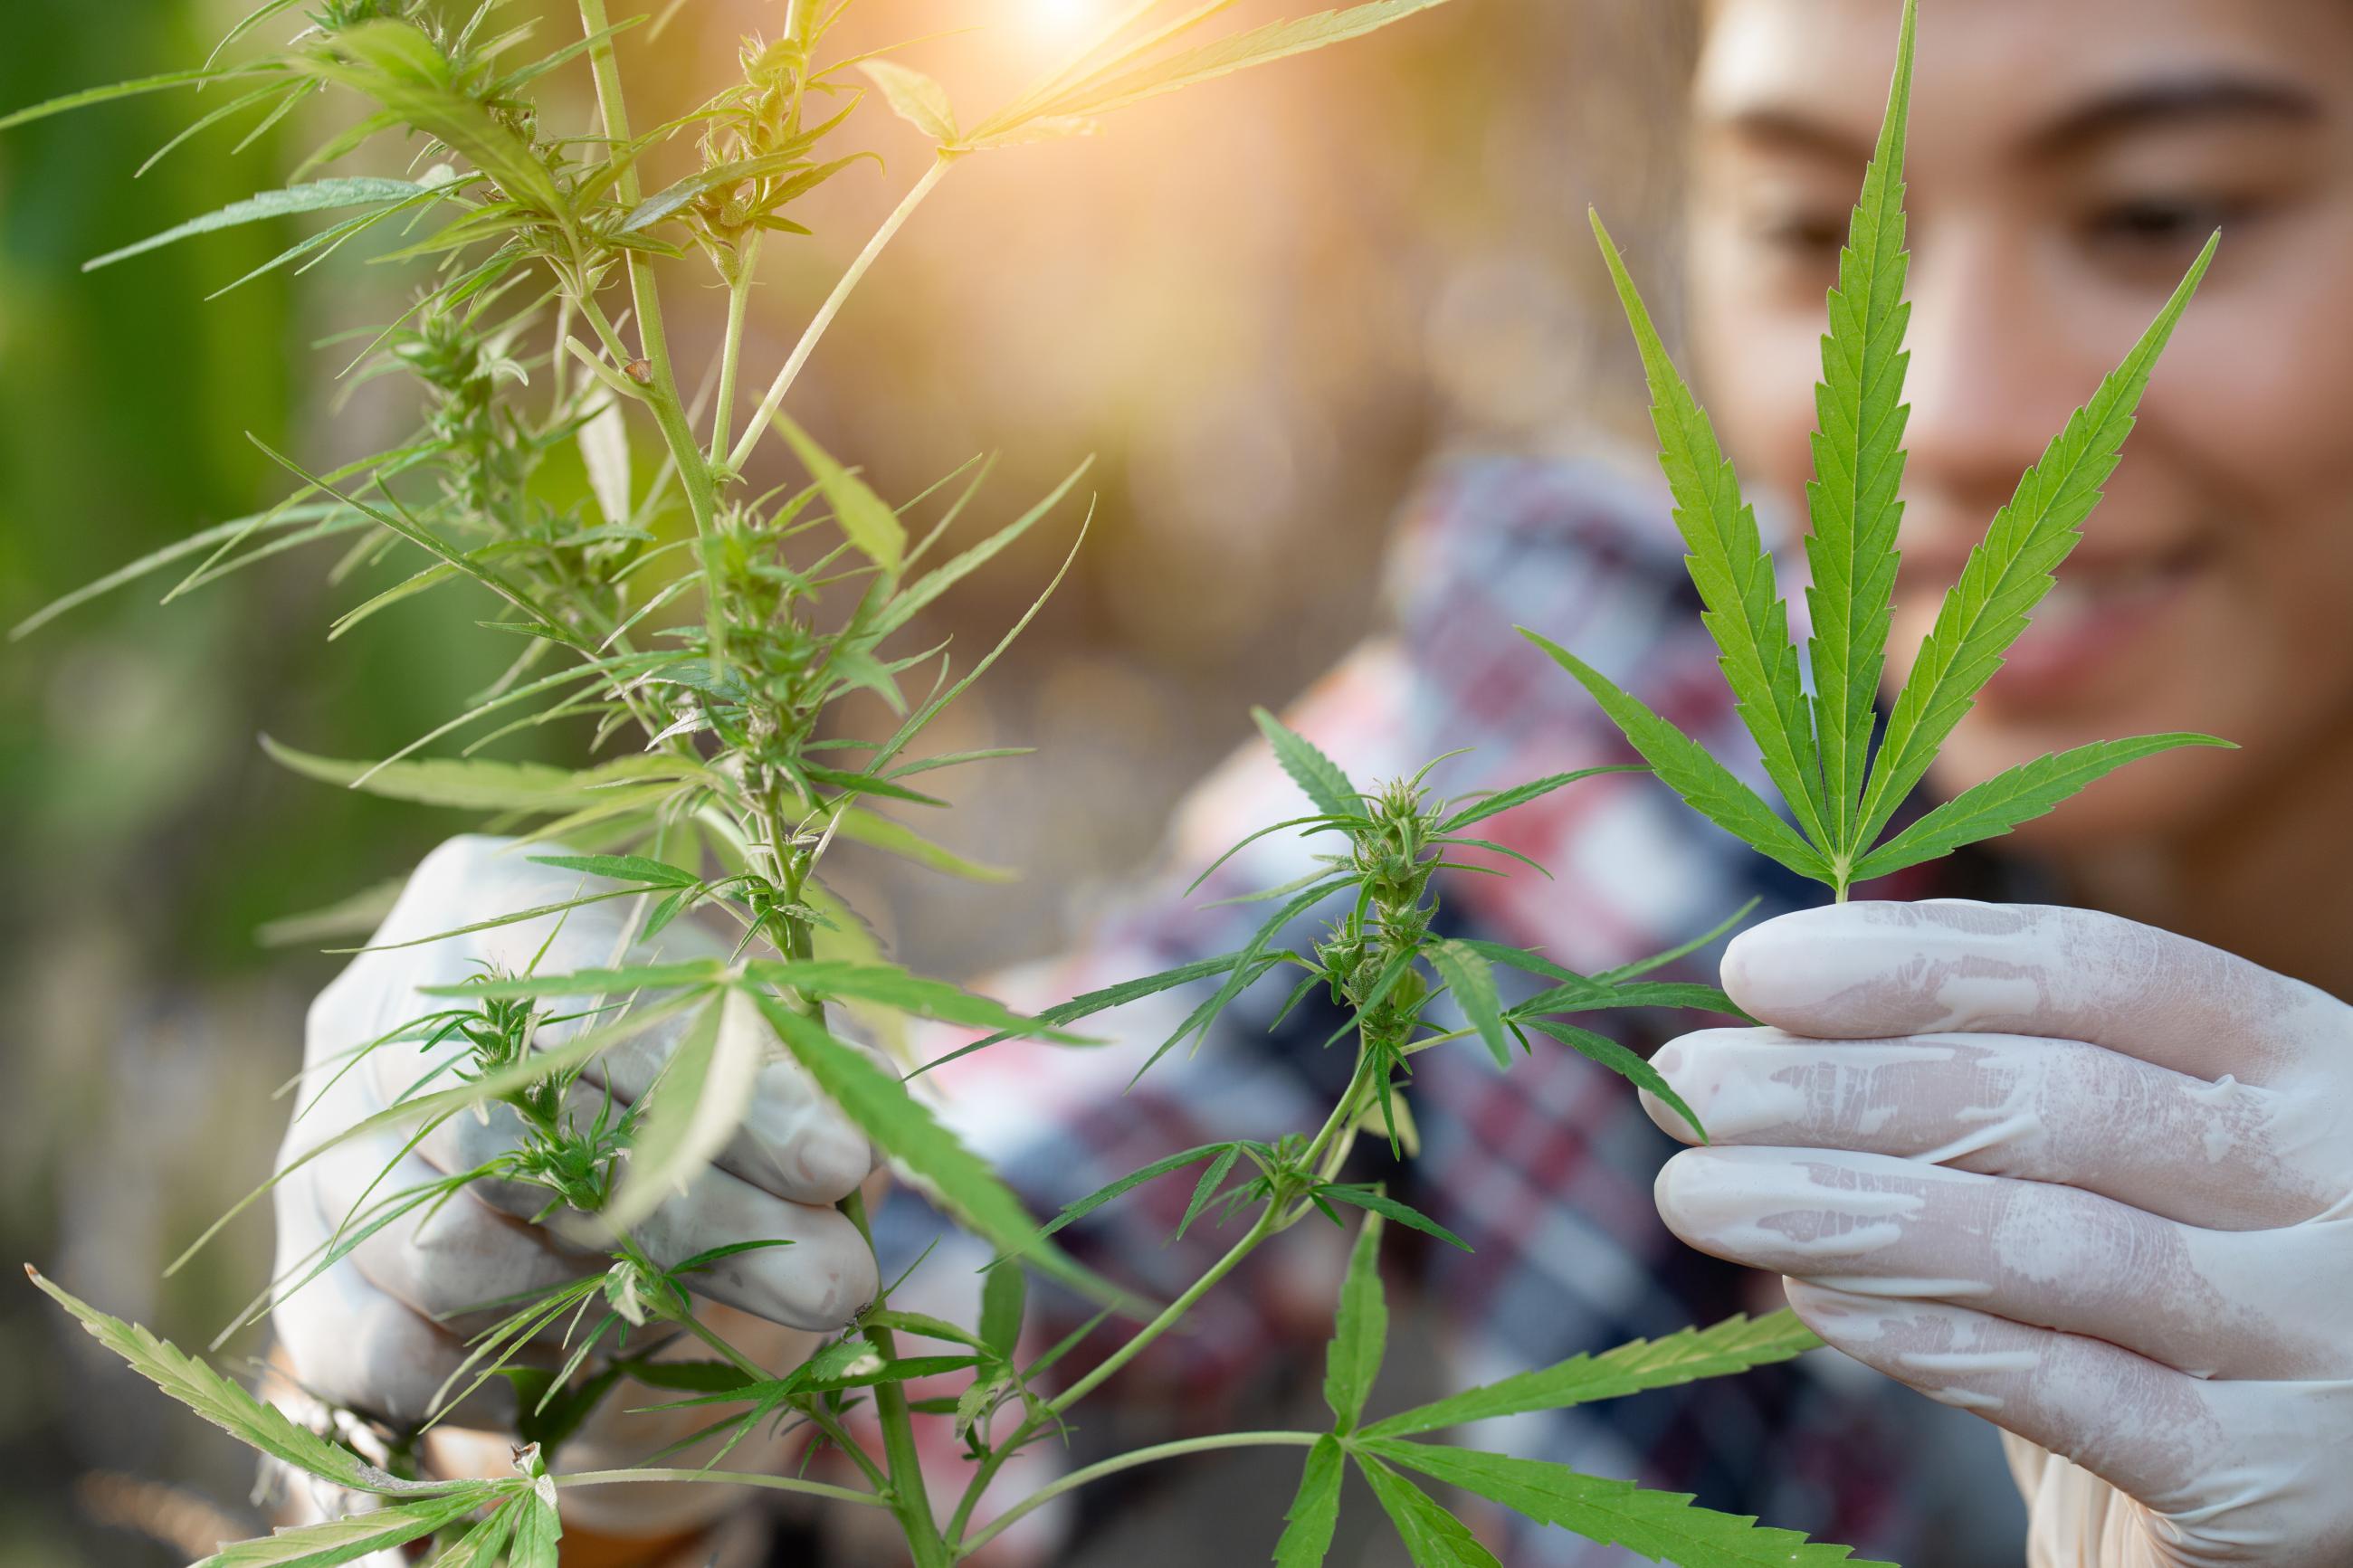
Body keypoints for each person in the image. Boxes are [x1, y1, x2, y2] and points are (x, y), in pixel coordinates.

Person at [269, 0, 2353, 1563]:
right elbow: (961, 1302)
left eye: (2162, 213)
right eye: (1817, 228)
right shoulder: (1576, 751)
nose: (1964, 409)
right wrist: (611, 1314)